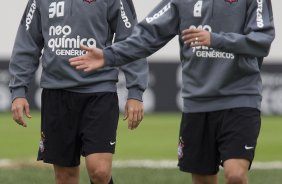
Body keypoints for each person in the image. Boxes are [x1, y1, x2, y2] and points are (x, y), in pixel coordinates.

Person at [69, 0, 275, 183]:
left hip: (239, 100)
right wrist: (108, 56)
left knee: (235, 175)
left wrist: (217, 40)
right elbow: (146, 35)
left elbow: (262, 40)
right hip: (197, 103)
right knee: (202, 179)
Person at [9, 0, 148, 184]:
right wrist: (18, 90)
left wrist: (135, 91)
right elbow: (27, 42)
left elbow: (130, 39)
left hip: (99, 91)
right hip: (56, 94)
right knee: (65, 177)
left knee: (100, 171)